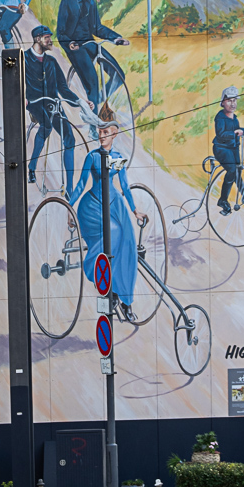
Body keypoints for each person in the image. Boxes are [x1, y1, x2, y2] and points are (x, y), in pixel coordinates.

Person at [67, 103, 145, 323]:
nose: (102, 136)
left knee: (127, 243)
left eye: (106, 132)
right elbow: (81, 185)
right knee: (114, 233)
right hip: (91, 208)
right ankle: (103, 280)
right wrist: (70, 207)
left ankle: (125, 300)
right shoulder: (92, 157)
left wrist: (135, 210)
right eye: (99, 132)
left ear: (114, 133)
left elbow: (125, 186)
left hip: (114, 204)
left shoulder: (118, 158)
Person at [56, 0, 129, 112]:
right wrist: (69, 43)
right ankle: (94, 122)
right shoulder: (67, 1)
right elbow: (60, 32)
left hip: (89, 43)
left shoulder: (91, 3)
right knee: (92, 81)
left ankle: (98, 99)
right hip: (74, 47)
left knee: (118, 74)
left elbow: (97, 28)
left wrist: (116, 39)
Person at [24, 24, 86, 194]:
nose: (50, 40)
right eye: (47, 38)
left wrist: (79, 102)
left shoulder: (51, 61)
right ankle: (32, 167)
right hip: (35, 102)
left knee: (70, 138)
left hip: (52, 103)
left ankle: (69, 188)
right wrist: (23, 99)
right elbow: (16, 84)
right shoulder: (24, 59)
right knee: (47, 126)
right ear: (37, 39)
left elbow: (63, 89)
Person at [213, 85, 244, 215]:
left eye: (234, 101)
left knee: (238, 170)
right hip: (221, 149)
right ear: (223, 102)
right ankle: (223, 200)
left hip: (233, 148)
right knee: (232, 170)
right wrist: (234, 133)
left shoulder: (235, 118)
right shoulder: (220, 117)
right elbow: (221, 134)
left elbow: (238, 130)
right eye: (229, 101)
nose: (233, 104)